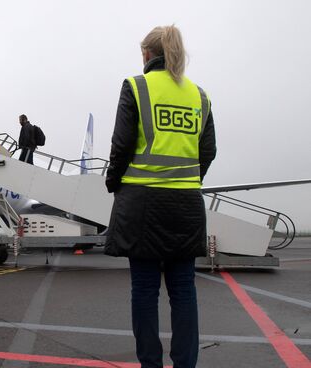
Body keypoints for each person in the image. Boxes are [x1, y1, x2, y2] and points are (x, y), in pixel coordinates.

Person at [104, 25, 216, 368]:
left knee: (144, 292)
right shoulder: (199, 96)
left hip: (143, 207)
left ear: (148, 54)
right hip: (186, 207)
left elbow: (121, 145)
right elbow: (208, 151)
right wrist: (185, 179)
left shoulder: (136, 87)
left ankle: (150, 363)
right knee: (184, 292)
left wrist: (113, 182)